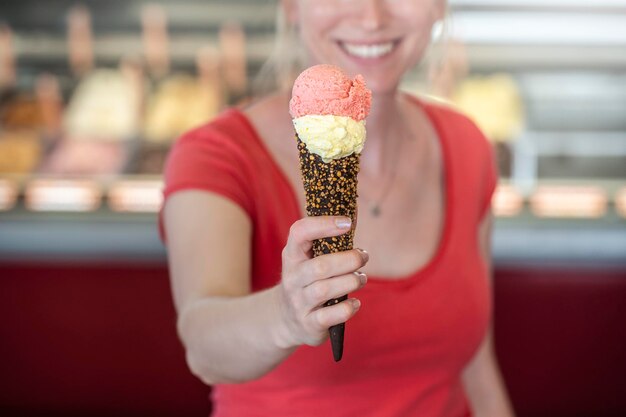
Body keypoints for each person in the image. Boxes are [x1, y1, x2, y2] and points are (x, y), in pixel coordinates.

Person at [161, 0, 516, 416]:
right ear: (292, 7)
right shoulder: (217, 155)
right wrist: (284, 317)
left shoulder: (467, 146)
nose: (371, 17)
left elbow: (477, 366)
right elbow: (204, 347)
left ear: (438, 7)